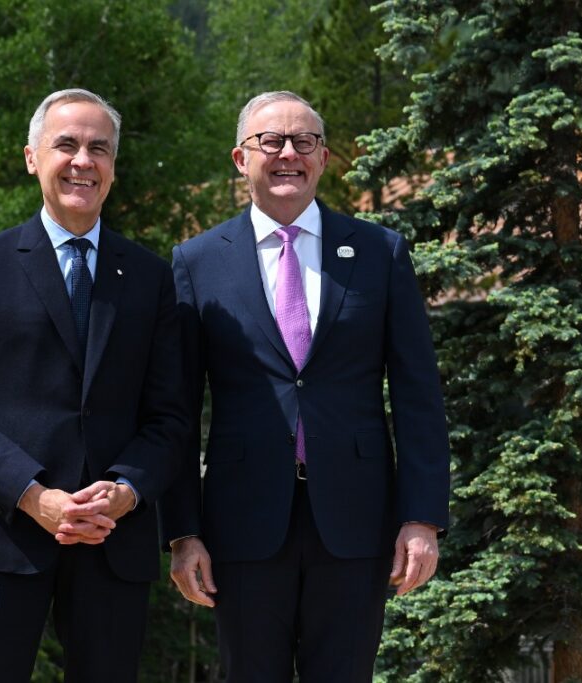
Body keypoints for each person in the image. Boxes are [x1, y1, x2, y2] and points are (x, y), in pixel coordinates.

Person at [158, 91, 451, 682]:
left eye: (305, 142)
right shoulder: (196, 262)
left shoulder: (379, 252)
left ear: (323, 158)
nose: (288, 153)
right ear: (241, 159)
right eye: (272, 141)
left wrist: (421, 517)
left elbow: (418, 393)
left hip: (356, 520)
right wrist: (182, 533)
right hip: (240, 527)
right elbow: (178, 410)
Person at [0, 88, 186, 683]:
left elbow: (170, 418)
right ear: (31, 157)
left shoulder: (150, 278)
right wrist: (36, 498)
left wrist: (124, 491)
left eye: (100, 148)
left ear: (114, 167)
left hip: (112, 539)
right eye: (66, 144)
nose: (83, 160)